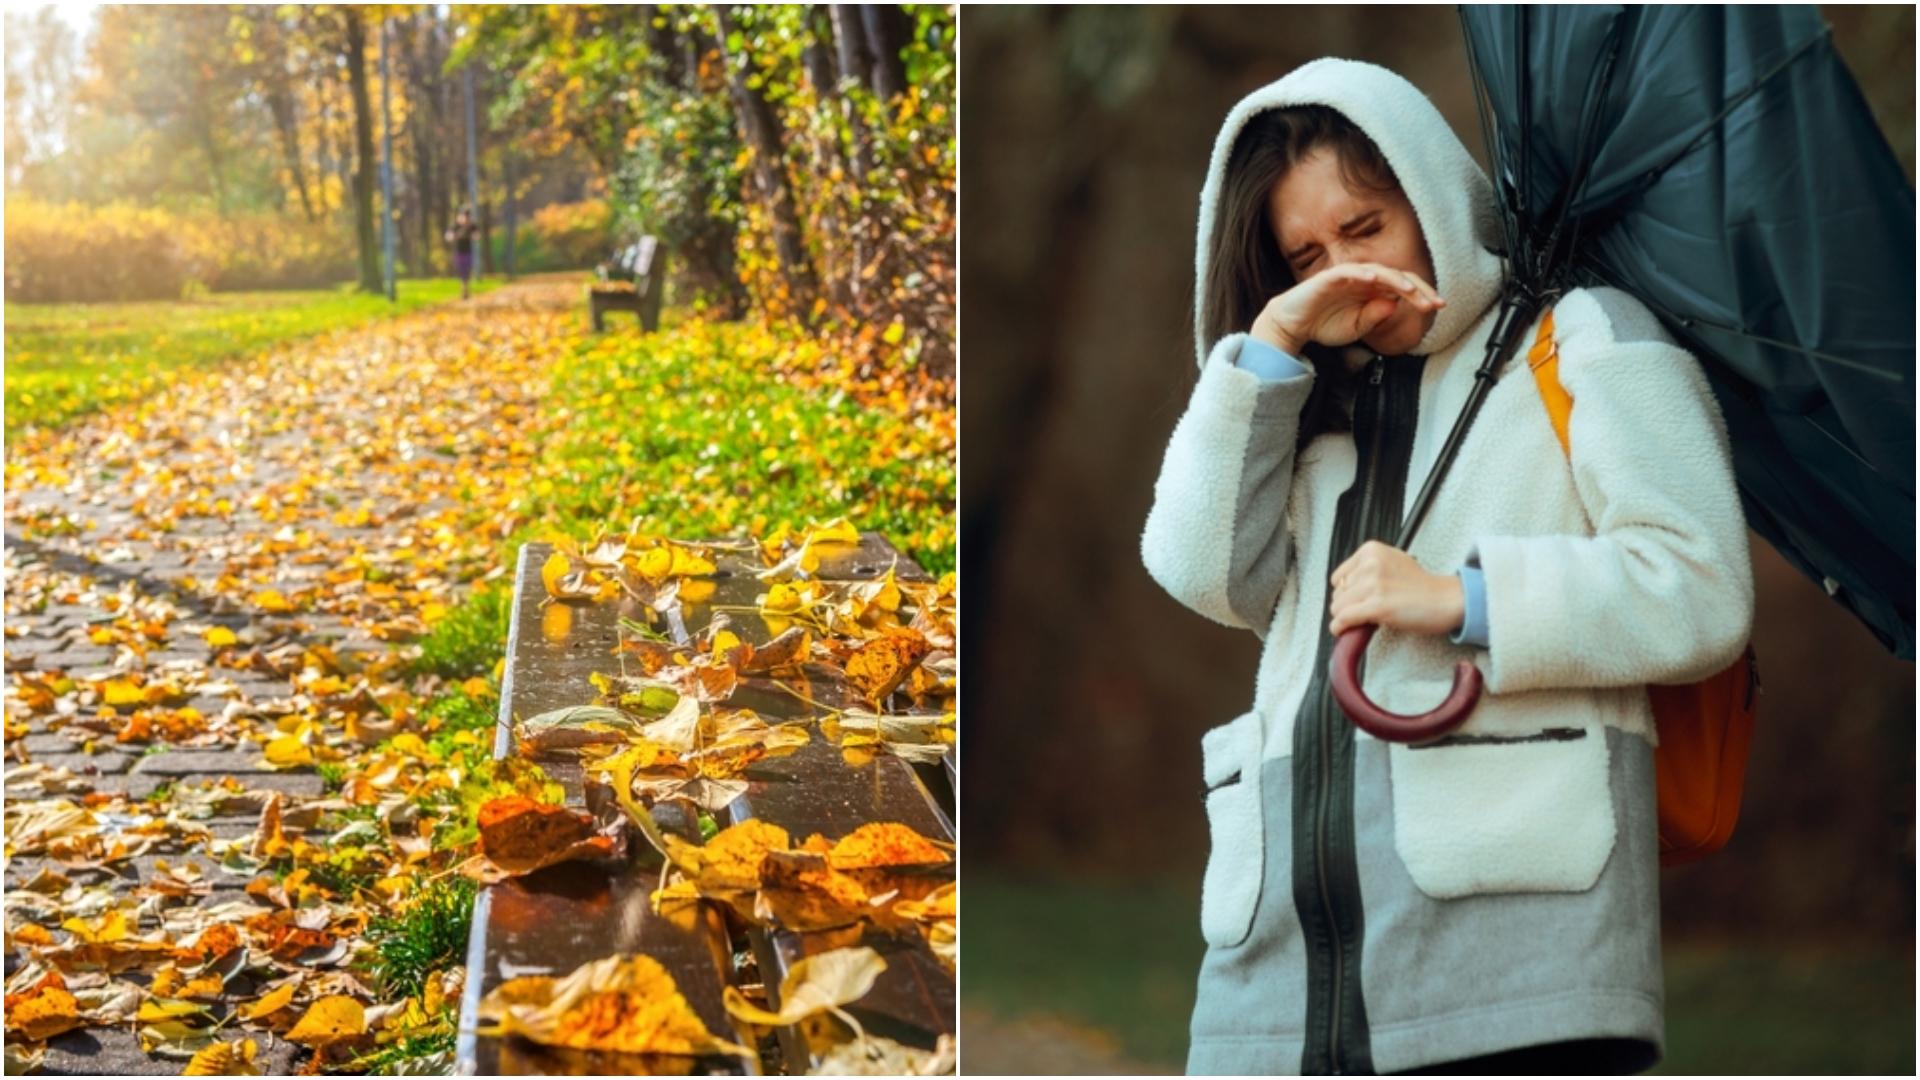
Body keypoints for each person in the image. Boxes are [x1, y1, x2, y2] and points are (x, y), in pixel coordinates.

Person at [1140, 59, 1754, 1075]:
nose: (1346, 273)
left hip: (1516, 970)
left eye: (1366, 228)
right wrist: (1268, 350)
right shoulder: (1299, 406)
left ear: (1431, 196)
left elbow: (1699, 585)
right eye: (1307, 255)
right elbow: (1203, 572)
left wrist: (1463, 599)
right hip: (1278, 978)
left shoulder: (1580, 340)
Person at [445, 206, 479, 300]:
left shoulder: (472, 225)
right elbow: (448, 237)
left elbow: (477, 235)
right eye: (465, 215)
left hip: (469, 251)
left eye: (468, 216)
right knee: (462, 271)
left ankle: (466, 288)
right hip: (459, 252)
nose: (466, 218)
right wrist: (456, 235)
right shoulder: (456, 225)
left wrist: (473, 235)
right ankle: (464, 288)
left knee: (468, 270)